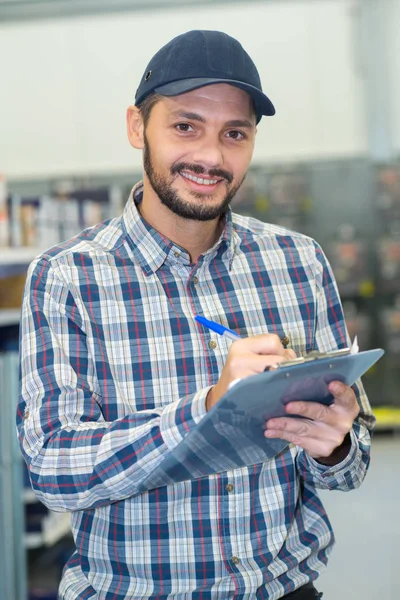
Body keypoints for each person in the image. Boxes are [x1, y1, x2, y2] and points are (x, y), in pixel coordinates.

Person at [17, 30, 374, 600]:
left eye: (235, 134)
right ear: (138, 127)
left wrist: (334, 444)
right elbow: (54, 470)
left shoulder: (298, 262)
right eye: (185, 126)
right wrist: (208, 409)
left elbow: (351, 464)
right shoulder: (67, 278)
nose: (211, 157)